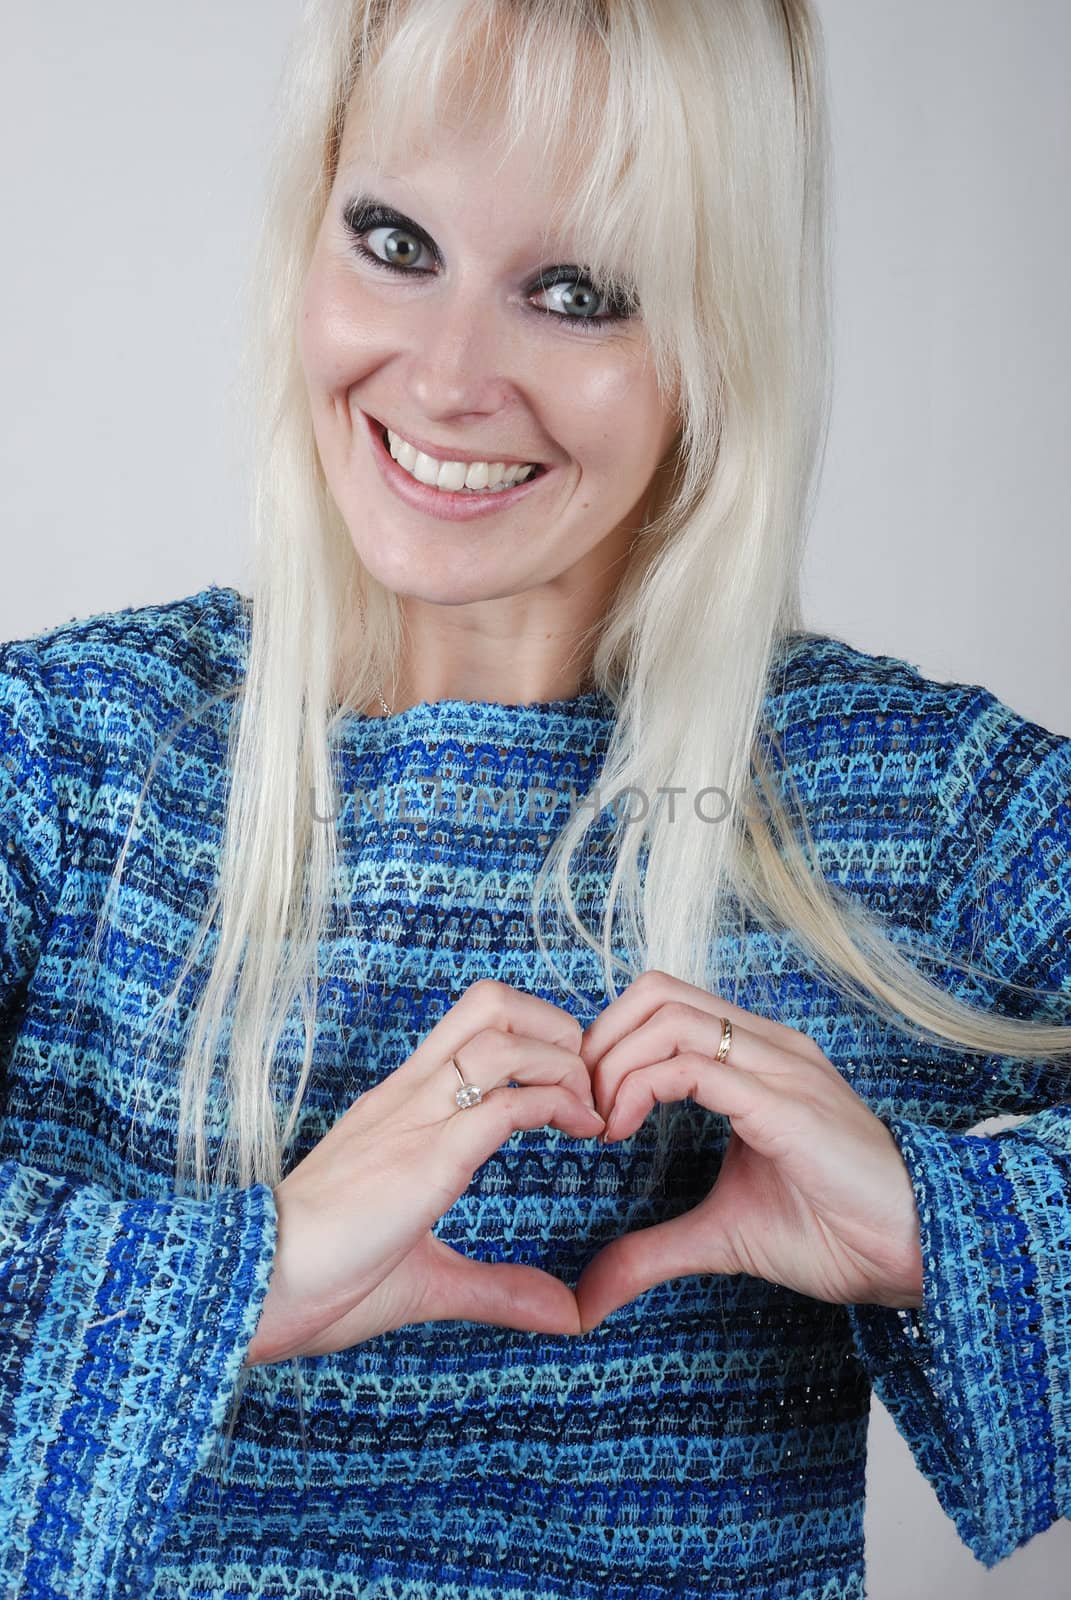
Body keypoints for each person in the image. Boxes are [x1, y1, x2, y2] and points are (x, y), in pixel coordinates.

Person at [0, 0, 1068, 1595]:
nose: (444, 379)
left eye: (575, 293)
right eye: (393, 240)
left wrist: (945, 1229)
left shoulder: (894, 801)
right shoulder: (71, 758)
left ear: (715, 343)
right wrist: (239, 1275)